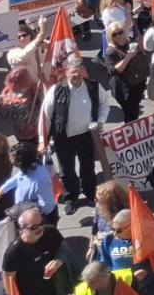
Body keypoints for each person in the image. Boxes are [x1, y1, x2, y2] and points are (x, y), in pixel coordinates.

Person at [41, 60, 109, 208]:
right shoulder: (56, 90)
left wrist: (100, 121)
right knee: (66, 170)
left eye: (79, 71)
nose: (76, 75)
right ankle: (71, 197)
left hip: (87, 136)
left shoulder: (94, 87)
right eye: (73, 71)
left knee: (88, 167)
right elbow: (46, 115)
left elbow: (104, 104)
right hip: (62, 137)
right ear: (66, 73)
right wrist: (43, 139)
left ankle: (90, 193)